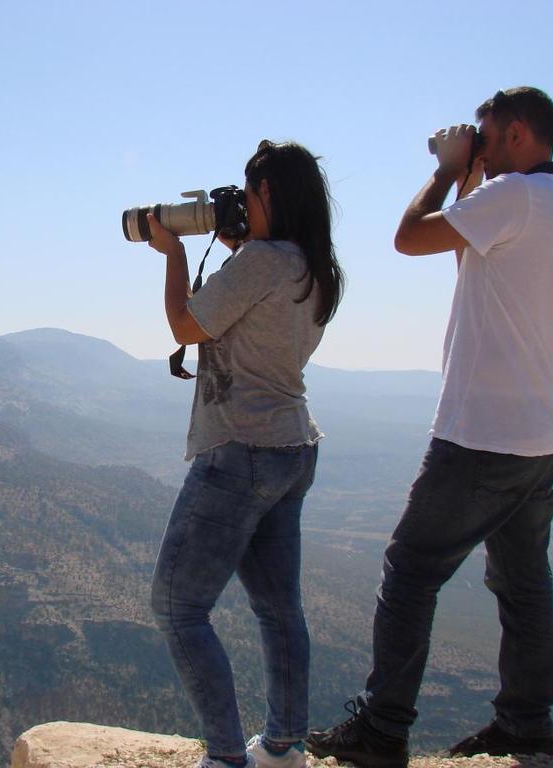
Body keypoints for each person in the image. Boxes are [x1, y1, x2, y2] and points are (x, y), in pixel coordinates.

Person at [306, 87, 553, 768]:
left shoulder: (515, 195)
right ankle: (526, 724)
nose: (480, 148)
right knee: (523, 583)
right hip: (542, 432)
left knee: (409, 571)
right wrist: (469, 175)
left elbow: (409, 239)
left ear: (519, 135)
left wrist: (442, 172)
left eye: (487, 138)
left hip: (482, 433)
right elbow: (467, 255)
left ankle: (382, 731)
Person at [145, 139, 344, 768]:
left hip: (240, 451)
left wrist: (173, 253)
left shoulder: (261, 262)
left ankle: (227, 757)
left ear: (270, 195)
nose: (242, 200)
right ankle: (284, 745)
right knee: (279, 607)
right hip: (292, 447)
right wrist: (236, 245)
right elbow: (255, 301)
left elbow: (184, 326)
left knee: (178, 606)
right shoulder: (309, 265)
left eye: (250, 190)